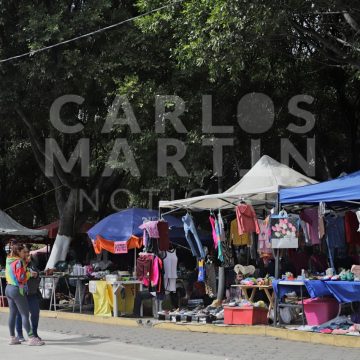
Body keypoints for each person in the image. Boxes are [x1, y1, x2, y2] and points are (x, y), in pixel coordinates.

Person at [5, 241, 44, 346]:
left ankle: (13, 337)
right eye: (23, 252)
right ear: (18, 251)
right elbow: (21, 277)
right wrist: (29, 274)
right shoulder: (19, 262)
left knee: (12, 314)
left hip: (8, 288)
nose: (25, 254)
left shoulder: (9, 259)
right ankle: (31, 338)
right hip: (17, 289)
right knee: (24, 314)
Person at [15, 245, 42, 342]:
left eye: (28, 252)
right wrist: (29, 274)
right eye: (25, 252)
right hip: (21, 293)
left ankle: (34, 333)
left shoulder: (32, 262)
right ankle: (19, 334)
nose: (27, 254)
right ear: (20, 253)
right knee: (20, 314)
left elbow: (37, 273)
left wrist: (36, 274)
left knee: (35, 313)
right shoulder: (18, 263)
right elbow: (17, 276)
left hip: (32, 292)